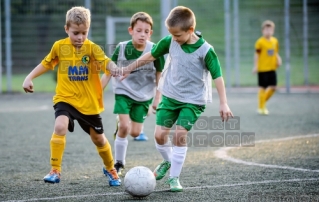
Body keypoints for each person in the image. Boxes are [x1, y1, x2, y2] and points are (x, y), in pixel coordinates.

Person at [121, 6, 233, 192]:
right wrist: (129, 68)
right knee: (159, 135)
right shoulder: (170, 40)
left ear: (190, 30)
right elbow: (151, 55)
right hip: (171, 96)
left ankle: (174, 178)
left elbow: (218, 76)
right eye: (171, 35)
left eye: (178, 35)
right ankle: (167, 161)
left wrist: (223, 102)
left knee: (180, 135)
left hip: (193, 101)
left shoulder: (206, 50)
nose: (174, 39)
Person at [22, 6, 121, 186]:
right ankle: (55, 170)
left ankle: (110, 168)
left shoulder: (92, 49)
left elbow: (106, 62)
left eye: (84, 32)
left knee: (99, 139)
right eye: (76, 33)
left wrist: (114, 69)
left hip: (89, 104)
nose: (80, 37)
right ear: (66, 29)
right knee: (60, 126)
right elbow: (46, 63)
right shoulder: (59, 47)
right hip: (65, 98)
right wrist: (29, 77)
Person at [100, 12, 165, 176]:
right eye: (139, 30)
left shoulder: (155, 50)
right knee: (124, 126)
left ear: (150, 33)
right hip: (123, 91)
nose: (142, 34)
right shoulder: (121, 48)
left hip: (144, 96)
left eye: (146, 31)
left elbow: (159, 75)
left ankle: (125, 123)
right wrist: (97, 92)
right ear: (131, 30)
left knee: (135, 132)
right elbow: (108, 71)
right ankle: (119, 163)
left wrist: (157, 99)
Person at [252, 20, 282, 115]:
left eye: (270, 30)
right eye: (266, 30)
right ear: (263, 31)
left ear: (273, 31)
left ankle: (262, 102)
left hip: (272, 68)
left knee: (273, 87)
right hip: (262, 69)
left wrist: (279, 59)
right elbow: (256, 55)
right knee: (262, 88)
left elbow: (275, 52)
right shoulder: (260, 42)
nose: (268, 31)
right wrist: (256, 66)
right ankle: (261, 108)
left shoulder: (275, 41)